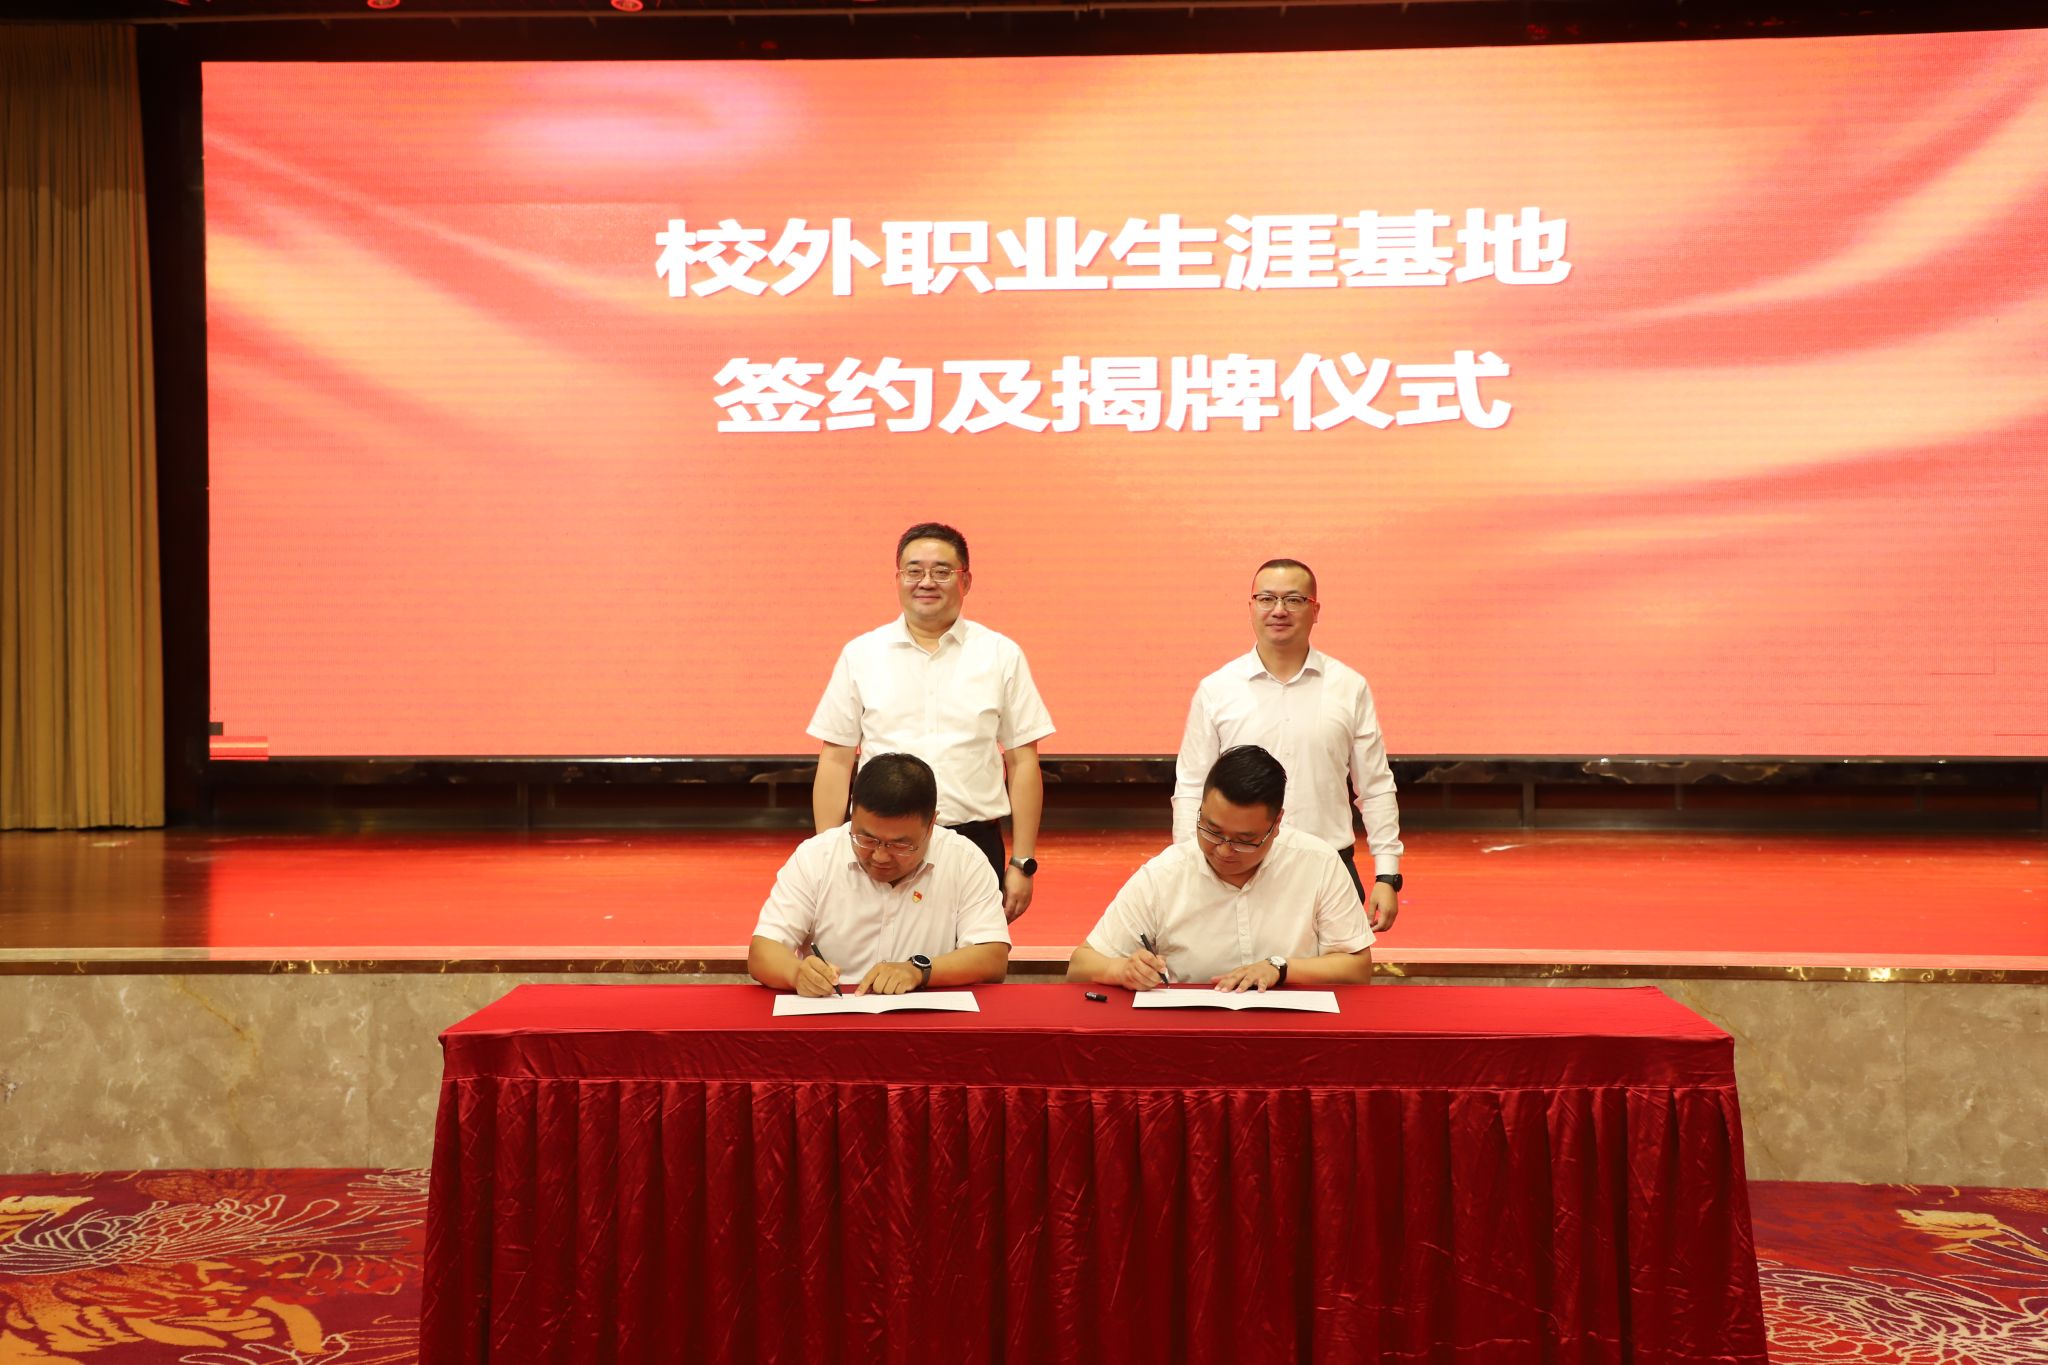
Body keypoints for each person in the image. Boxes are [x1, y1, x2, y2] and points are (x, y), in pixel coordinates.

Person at [808, 522, 1055, 923]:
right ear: (898, 579)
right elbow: (836, 759)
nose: (926, 582)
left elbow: (1022, 761)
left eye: (942, 571)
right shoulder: (862, 654)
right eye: (914, 571)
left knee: (969, 954)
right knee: (870, 952)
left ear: (965, 581)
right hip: (879, 845)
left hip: (973, 840)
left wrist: (1022, 862)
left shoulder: (1000, 654)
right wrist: (825, 853)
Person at [1173, 558, 1405, 932]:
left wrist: (1387, 875)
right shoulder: (1217, 689)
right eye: (1267, 598)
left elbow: (1375, 787)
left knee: (1337, 967)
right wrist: (1188, 867)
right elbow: (1190, 788)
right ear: (1251, 607)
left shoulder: (1349, 687)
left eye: (1294, 600)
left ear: (1316, 610)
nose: (1279, 610)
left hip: (1329, 868)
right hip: (1237, 868)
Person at [1070, 745, 1372, 992]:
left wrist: (1280, 968)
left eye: (1245, 840)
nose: (1224, 850)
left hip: (1292, 1032)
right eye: (1212, 831)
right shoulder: (1164, 876)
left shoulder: (1318, 863)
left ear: (1277, 823)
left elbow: (1357, 968)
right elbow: (1080, 965)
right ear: (1200, 809)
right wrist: (1121, 969)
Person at [750, 752, 1010, 996]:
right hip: (833, 1014)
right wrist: (797, 973)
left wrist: (919, 971)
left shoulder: (964, 860)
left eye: (900, 845)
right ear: (852, 812)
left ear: (931, 824)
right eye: (867, 839)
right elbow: (763, 951)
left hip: (925, 1017)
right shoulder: (816, 856)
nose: (880, 856)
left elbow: (992, 957)